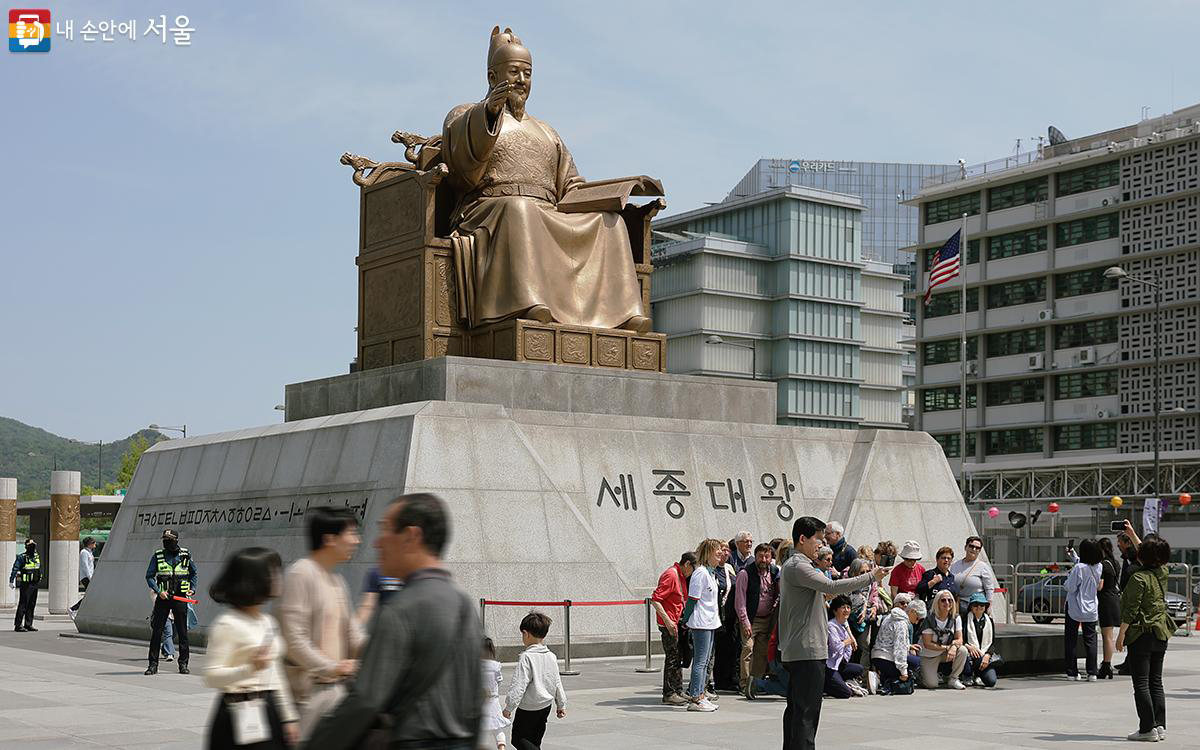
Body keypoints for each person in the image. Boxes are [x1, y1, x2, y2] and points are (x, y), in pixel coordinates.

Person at [306, 493, 483, 750]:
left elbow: (365, 700)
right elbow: (476, 700)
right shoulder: (464, 603)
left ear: (411, 536)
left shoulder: (402, 608)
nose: (377, 543)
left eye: (385, 529)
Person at [779, 516, 888, 750]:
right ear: (802, 539)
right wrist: (871, 576)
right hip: (807, 649)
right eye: (817, 540)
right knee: (807, 713)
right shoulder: (799, 565)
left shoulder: (799, 565)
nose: (821, 545)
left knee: (797, 711)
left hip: (801, 648)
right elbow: (832, 587)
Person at [277, 507, 365, 739]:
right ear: (329, 539)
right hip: (306, 696)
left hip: (336, 690)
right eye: (352, 533)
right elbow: (294, 640)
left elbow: (354, 635)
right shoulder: (300, 574)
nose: (357, 540)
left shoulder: (337, 581)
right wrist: (333, 667)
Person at [203, 547, 299, 749]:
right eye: (273, 573)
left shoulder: (268, 621)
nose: (279, 578)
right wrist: (249, 668)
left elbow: (275, 674)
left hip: (269, 709)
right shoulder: (227, 624)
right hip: (238, 711)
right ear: (254, 579)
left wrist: (288, 717)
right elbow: (211, 676)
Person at [1116, 536, 1173, 742]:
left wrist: (1121, 635)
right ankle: (1159, 726)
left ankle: (1147, 728)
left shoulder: (1137, 579)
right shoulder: (1163, 573)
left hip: (1141, 634)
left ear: (1141, 556)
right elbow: (1151, 554)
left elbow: (1130, 611)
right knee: (1156, 682)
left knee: (1141, 683)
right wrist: (1132, 533)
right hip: (1160, 633)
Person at [503, 612, 566, 750]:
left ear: (526, 633)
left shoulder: (526, 657)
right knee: (535, 740)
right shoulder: (551, 656)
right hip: (545, 706)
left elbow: (519, 685)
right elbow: (557, 682)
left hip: (528, 707)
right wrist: (561, 704)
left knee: (518, 739)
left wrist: (509, 707)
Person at [145, 529, 197, 674]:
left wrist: (192, 589)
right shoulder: (158, 555)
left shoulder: (185, 555)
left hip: (180, 598)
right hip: (164, 598)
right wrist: (158, 591)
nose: (166, 542)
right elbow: (149, 576)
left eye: (169, 540)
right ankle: (152, 665)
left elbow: (193, 573)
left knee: (182, 633)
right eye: (164, 540)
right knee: (157, 632)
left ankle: (183, 664)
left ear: (176, 541)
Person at [681, 538, 724, 712]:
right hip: (701, 623)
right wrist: (685, 620)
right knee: (700, 661)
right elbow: (693, 599)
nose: (720, 554)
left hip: (710, 622)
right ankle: (696, 698)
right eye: (717, 551)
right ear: (708, 553)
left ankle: (700, 694)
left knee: (705, 661)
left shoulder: (710, 572)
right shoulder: (700, 573)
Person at [650, 551, 696, 706]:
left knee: (678, 657)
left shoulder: (680, 575)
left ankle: (677, 690)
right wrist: (668, 621)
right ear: (687, 564)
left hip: (677, 622)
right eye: (693, 569)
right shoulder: (671, 575)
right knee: (672, 658)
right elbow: (655, 599)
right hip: (669, 623)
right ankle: (669, 693)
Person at [735, 543, 779, 697]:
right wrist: (745, 621)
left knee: (762, 652)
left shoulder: (774, 572)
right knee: (748, 648)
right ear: (755, 556)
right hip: (750, 619)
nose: (764, 560)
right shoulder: (744, 574)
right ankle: (744, 683)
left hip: (767, 619)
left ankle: (756, 683)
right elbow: (739, 602)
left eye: (767, 556)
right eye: (760, 556)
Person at [1065, 538, 1103, 681]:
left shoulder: (1079, 568)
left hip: (1075, 607)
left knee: (1071, 639)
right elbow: (1083, 563)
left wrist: (1065, 581)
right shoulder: (1099, 567)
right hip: (1091, 607)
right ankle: (1092, 672)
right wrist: (1073, 555)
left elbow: (1071, 587)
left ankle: (1072, 672)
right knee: (1091, 640)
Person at [871, 598, 924, 693]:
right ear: (912, 611)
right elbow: (899, 649)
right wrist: (904, 672)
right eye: (917, 619)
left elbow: (891, 641)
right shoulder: (901, 624)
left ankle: (884, 677)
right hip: (886, 658)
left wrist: (908, 646)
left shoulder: (891, 617)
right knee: (916, 662)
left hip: (878, 656)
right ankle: (883, 679)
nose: (916, 622)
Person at [919, 590, 967, 689]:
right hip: (929, 655)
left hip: (945, 652)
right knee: (932, 685)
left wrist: (953, 647)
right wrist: (947, 648)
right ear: (937, 602)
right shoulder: (929, 619)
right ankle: (920, 674)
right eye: (943, 600)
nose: (947, 603)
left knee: (962, 650)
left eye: (950, 600)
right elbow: (928, 644)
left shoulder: (956, 618)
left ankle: (953, 679)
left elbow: (959, 639)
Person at [824, 595, 867, 698]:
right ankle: (828, 685)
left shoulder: (843, 625)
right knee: (846, 693)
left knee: (859, 668)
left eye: (848, 607)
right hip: (831, 666)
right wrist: (847, 641)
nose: (846, 610)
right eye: (843, 607)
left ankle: (841, 682)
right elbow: (836, 647)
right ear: (835, 611)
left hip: (840, 664)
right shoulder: (831, 626)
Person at [846, 558, 881, 669]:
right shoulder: (847, 583)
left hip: (864, 618)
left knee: (863, 645)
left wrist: (873, 607)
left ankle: (863, 672)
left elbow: (873, 596)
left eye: (867, 572)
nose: (865, 575)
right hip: (849, 618)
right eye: (862, 572)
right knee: (850, 646)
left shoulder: (871, 582)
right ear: (854, 572)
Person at [960, 592, 1000, 688]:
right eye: (975, 605)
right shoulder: (963, 619)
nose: (979, 607)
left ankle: (978, 675)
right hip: (970, 654)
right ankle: (967, 675)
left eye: (982, 605)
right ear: (971, 607)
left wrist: (988, 655)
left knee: (991, 681)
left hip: (984, 655)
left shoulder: (989, 621)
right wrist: (969, 647)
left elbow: (992, 642)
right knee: (964, 652)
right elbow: (960, 638)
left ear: (986, 607)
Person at [950, 536, 995, 614]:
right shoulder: (955, 565)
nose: (974, 549)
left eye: (977, 548)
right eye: (971, 546)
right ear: (965, 547)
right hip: (957, 604)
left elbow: (989, 588)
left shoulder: (983, 566)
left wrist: (989, 605)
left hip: (975, 605)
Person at [1097, 537, 1121, 680]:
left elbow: (1100, 586)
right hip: (1114, 599)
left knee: (1106, 636)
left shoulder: (1103, 565)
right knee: (1109, 635)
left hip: (1105, 600)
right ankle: (1107, 664)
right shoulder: (1116, 563)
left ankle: (1106, 665)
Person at [479, 637, 509, 750]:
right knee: (497, 729)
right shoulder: (495, 666)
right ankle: (501, 746)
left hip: (480, 701)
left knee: (480, 729)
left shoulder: (475, 666)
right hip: (494, 701)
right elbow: (499, 680)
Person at [9, 538, 41, 632]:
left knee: (32, 604)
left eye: (34, 545)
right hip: (26, 585)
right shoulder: (22, 557)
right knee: (23, 605)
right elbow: (15, 569)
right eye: (31, 545)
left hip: (35, 583)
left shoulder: (36, 556)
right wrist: (12, 581)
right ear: (26, 546)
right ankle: (18, 625)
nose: (33, 547)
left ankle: (28, 624)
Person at [69, 537, 97, 614]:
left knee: (90, 595)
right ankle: (73, 609)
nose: (95, 544)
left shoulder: (89, 552)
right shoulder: (84, 552)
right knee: (90, 595)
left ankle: (76, 609)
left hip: (89, 576)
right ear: (89, 544)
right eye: (93, 543)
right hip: (86, 577)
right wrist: (90, 577)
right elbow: (85, 566)